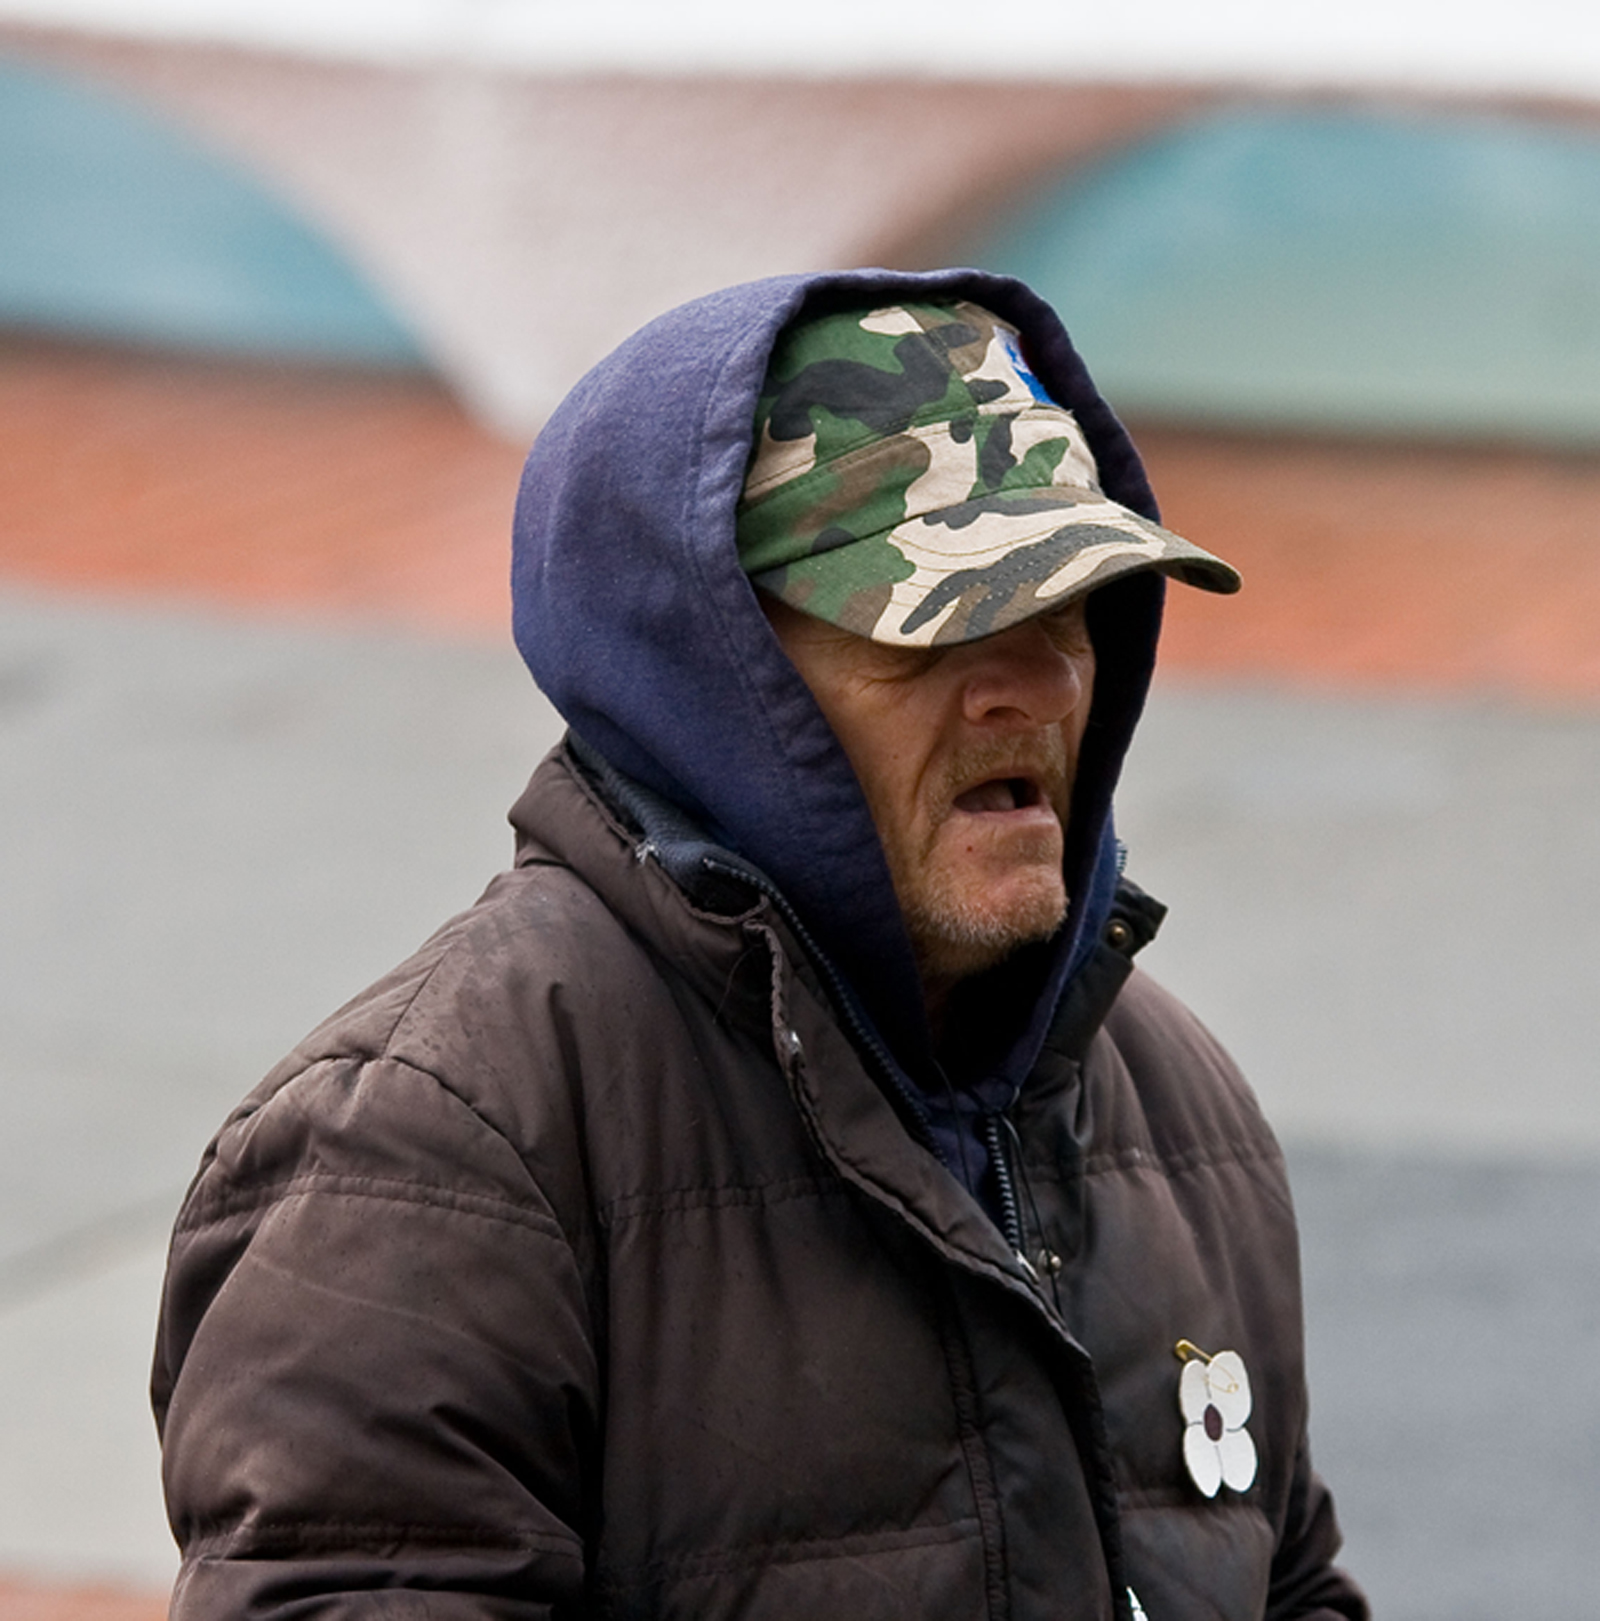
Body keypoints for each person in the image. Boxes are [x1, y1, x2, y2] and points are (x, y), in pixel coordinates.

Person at [152, 269, 1368, 1621]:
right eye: (938, 618)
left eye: (1065, 608)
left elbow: (1296, 1582)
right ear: (715, 674)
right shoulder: (434, 1157)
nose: (1028, 684)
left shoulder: (1181, 1108)